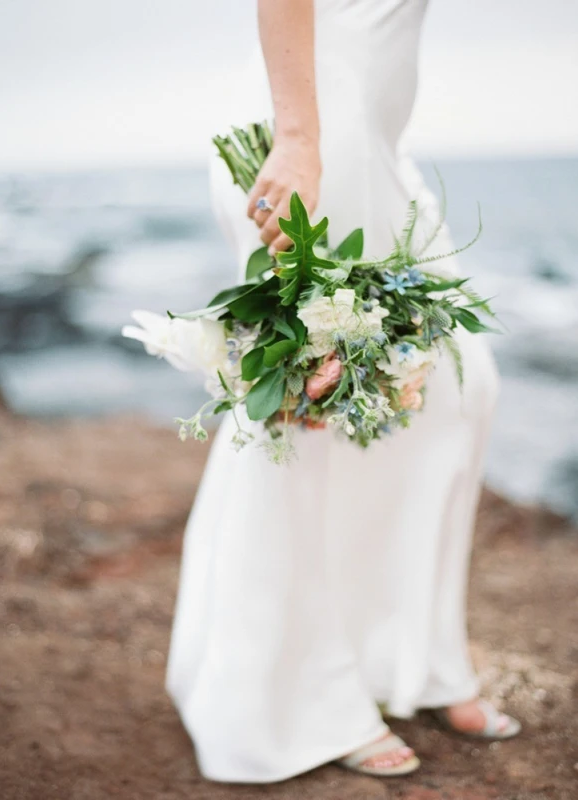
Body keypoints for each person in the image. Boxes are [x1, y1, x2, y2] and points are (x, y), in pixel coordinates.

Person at [166, 0, 521, 783]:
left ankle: (421, 659)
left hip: (370, 136)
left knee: (458, 391)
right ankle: (291, 695)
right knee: (303, 411)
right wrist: (298, 138)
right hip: (317, 128)